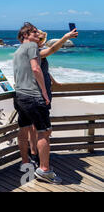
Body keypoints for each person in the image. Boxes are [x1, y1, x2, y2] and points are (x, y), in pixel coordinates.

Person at [13, 22, 61, 184]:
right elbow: (35, 68)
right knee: (44, 132)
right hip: (34, 96)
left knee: (24, 128)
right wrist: (45, 93)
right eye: (34, 32)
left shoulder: (17, 50)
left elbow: (27, 71)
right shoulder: (32, 47)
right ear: (25, 35)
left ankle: (25, 162)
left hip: (20, 96)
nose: (37, 35)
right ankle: (44, 170)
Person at [26, 28, 79, 168]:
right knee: (42, 130)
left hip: (36, 95)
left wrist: (53, 81)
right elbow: (52, 49)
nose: (43, 42)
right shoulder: (35, 52)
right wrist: (65, 37)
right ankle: (37, 159)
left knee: (35, 128)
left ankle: (34, 155)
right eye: (41, 39)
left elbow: (42, 71)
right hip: (39, 96)